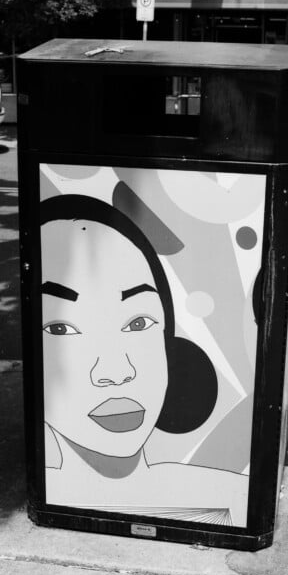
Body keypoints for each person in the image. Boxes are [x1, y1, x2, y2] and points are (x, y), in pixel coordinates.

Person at [40, 194, 248, 526]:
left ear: (168, 341)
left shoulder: (232, 495)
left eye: (138, 323)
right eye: (61, 328)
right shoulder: (227, 494)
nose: (115, 372)